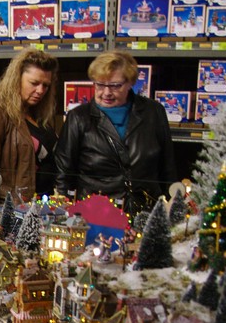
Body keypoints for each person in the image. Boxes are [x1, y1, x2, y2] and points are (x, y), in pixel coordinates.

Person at [54, 51, 176, 216]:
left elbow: (167, 167)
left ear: (130, 82)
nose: (106, 93)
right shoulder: (78, 118)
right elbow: (63, 175)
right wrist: (65, 215)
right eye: (100, 85)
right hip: (96, 216)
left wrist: (172, 207)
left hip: (147, 213)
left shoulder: (154, 112)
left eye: (115, 86)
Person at [0, 48, 59, 203]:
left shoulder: (37, 112)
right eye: (34, 83)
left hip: (40, 204)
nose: (40, 90)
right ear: (16, 78)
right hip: (12, 207)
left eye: (46, 85)